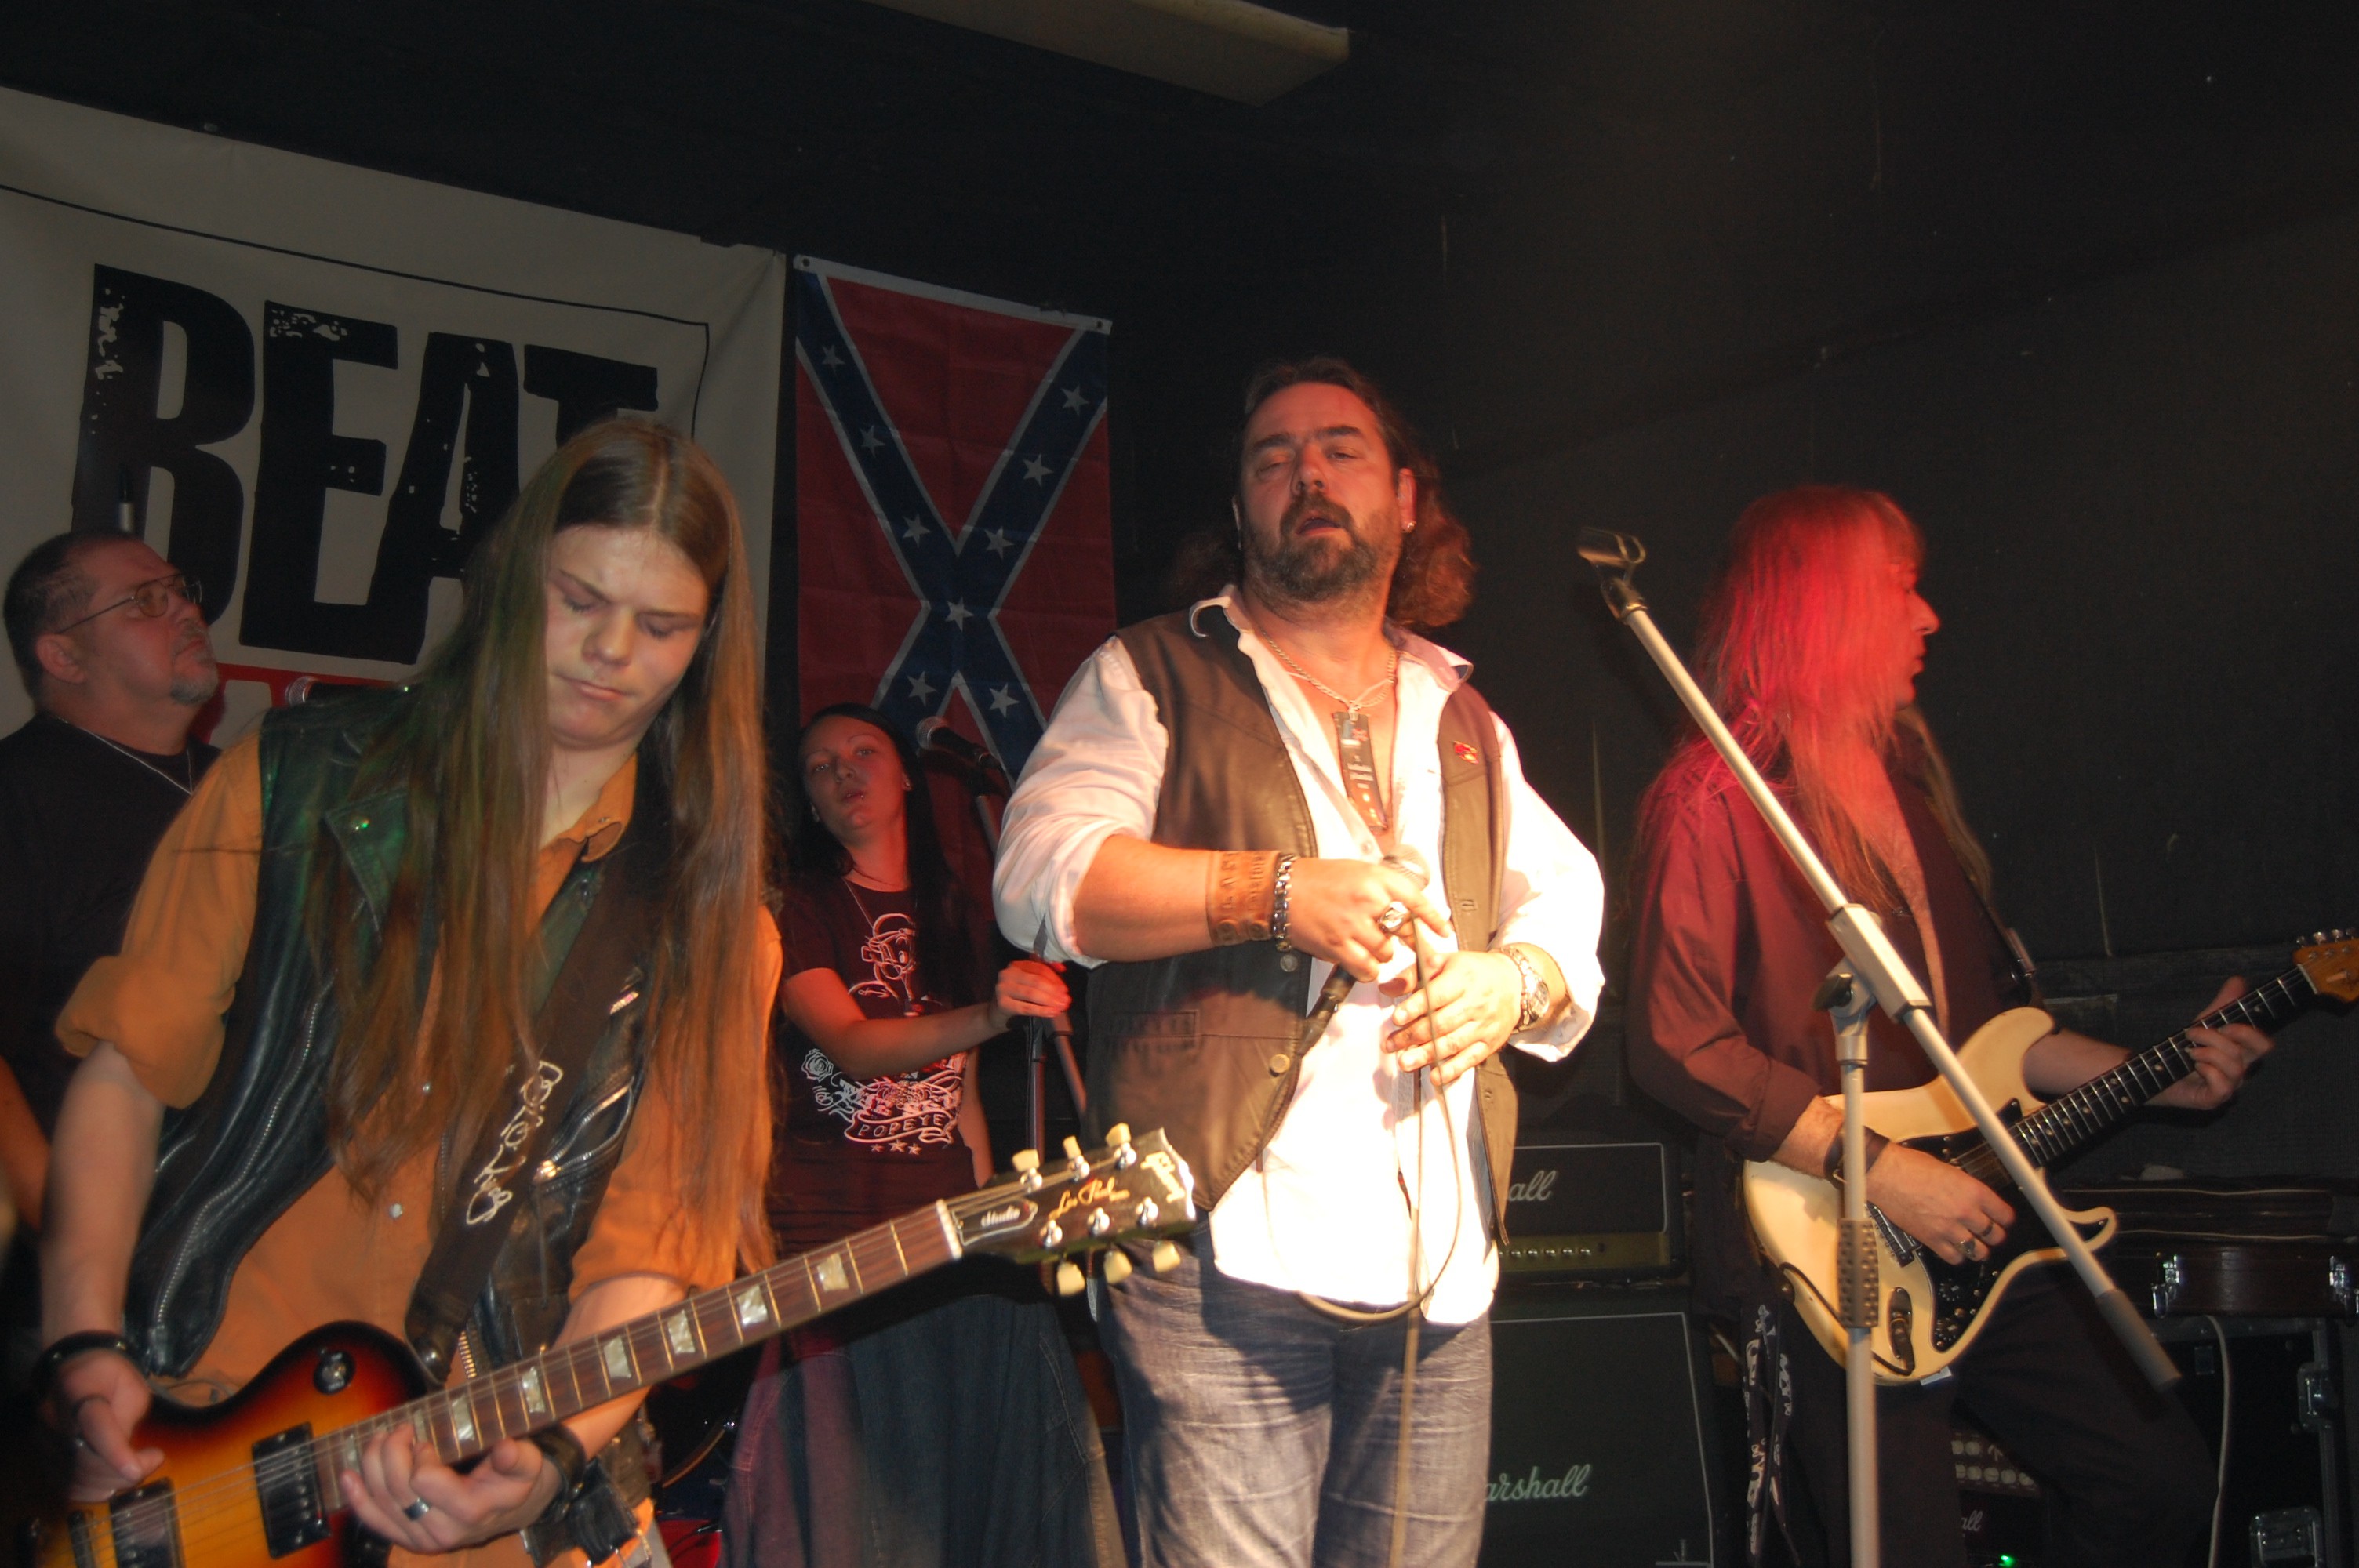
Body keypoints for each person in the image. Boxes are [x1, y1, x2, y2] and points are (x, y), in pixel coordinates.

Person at [39, 418, 779, 1566]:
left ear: (708, 638)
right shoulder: (295, 776)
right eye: (579, 600)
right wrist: (81, 1340)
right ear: (513, 580)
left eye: (662, 625)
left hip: (481, 1466)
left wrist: (555, 1454)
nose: (610, 652)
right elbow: (128, 1071)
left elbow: (652, 1248)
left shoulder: (708, 917)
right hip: (205, 1428)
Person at [994, 356, 1605, 1568]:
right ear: (1241, 510)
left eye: (1339, 449)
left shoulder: (1464, 714)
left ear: (1406, 499)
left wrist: (1510, 984)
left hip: (1440, 1273)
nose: (1306, 474)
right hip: (1222, 1259)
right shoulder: (1150, 672)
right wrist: (1275, 894)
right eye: (1272, 459)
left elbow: (1568, 902)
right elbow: (1040, 875)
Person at [1624, 484, 2271, 1567]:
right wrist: (1881, 1169)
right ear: (1821, 604)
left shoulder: (1909, 786)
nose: (1928, 617)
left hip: (1974, 1219)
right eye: (1899, 589)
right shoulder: (1718, 799)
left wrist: (2165, 1074)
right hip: (1825, 1245)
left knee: (2156, 1481)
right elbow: (1677, 1044)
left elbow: (1992, 1039)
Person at [722, 702, 1121, 1568]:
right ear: (810, 802)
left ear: (906, 774)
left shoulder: (954, 912)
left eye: (862, 751)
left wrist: (991, 1223)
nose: (843, 771)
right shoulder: (795, 908)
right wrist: (990, 1013)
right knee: (863, 1520)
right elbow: (855, 1046)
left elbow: (961, 1098)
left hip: (942, 1238)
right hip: (836, 1243)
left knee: (998, 1491)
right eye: (820, 765)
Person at [0, 532, 220, 1236]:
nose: (186, 610)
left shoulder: (248, 785)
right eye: (144, 601)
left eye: (181, 590)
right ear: (63, 657)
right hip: (99, 1242)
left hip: (233, 1238)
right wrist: (68, 1232)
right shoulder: (19, 796)